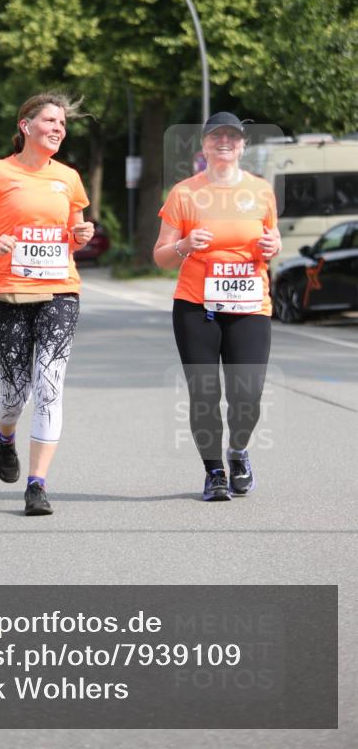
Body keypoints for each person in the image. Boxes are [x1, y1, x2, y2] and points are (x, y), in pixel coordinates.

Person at [0, 92, 94, 516]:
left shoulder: (69, 177)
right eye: (50, 120)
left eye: (63, 124)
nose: (58, 129)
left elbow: (77, 229)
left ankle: (37, 484)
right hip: (10, 291)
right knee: (16, 392)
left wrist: (81, 236)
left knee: (50, 385)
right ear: (25, 126)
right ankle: (4, 434)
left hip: (61, 289)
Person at [153, 112, 282, 501]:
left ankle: (238, 450)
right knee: (204, 393)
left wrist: (274, 247)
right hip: (196, 306)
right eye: (216, 136)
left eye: (232, 136)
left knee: (248, 395)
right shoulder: (185, 193)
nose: (224, 141)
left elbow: (272, 241)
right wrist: (184, 246)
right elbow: (160, 256)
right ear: (204, 145)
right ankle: (214, 473)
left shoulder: (261, 191)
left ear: (243, 145)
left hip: (249, 303)